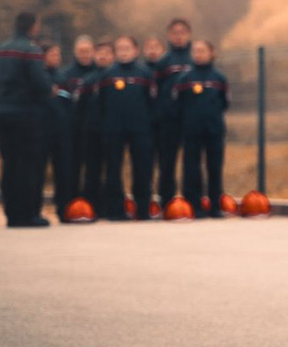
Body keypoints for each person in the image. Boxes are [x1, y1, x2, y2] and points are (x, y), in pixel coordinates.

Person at [0, 11, 55, 228]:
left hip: (2, 113)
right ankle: (29, 214)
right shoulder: (32, 51)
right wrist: (49, 90)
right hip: (26, 115)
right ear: (33, 27)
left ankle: (12, 213)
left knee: (9, 164)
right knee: (29, 165)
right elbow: (40, 84)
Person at [98, 35, 157, 221]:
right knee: (113, 169)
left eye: (126, 48)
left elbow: (151, 102)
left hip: (140, 129)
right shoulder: (107, 75)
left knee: (142, 169)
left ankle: (142, 209)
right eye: (119, 48)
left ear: (135, 50)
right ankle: (115, 210)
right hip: (113, 129)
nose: (123, 52)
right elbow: (101, 103)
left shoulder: (145, 74)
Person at [172, 39, 229, 217]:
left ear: (211, 53)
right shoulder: (184, 79)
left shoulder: (219, 78)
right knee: (191, 169)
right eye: (195, 51)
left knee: (214, 168)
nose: (198, 54)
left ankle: (215, 207)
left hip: (214, 130)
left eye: (202, 51)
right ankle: (194, 206)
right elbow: (178, 105)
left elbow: (224, 103)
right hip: (191, 130)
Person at [153, 18, 194, 208]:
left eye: (182, 32)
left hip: (192, 120)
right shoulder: (164, 61)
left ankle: (192, 201)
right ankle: (166, 202)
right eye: (175, 33)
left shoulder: (196, 58)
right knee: (167, 163)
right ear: (169, 35)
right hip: (169, 121)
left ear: (189, 34)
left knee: (192, 163)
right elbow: (158, 91)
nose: (178, 36)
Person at [59, 35, 100, 217]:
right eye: (81, 51)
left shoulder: (101, 74)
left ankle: (94, 205)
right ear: (75, 53)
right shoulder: (66, 75)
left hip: (94, 130)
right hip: (73, 129)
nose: (85, 55)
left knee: (94, 169)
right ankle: (71, 205)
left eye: (88, 51)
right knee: (72, 169)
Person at [78, 40, 115, 216]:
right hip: (91, 131)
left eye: (107, 53)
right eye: (99, 53)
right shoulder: (88, 80)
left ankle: (111, 206)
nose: (102, 56)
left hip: (114, 131)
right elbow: (80, 108)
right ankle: (92, 207)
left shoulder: (117, 78)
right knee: (92, 171)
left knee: (112, 171)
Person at [40, 41, 76, 221]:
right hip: (43, 130)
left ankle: (64, 209)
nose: (56, 58)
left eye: (58, 54)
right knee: (39, 172)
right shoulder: (38, 76)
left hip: (62, 131)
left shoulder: (63, 76)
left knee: (63, 171)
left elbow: (69, 103)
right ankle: (36, 209)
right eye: (52, 54)